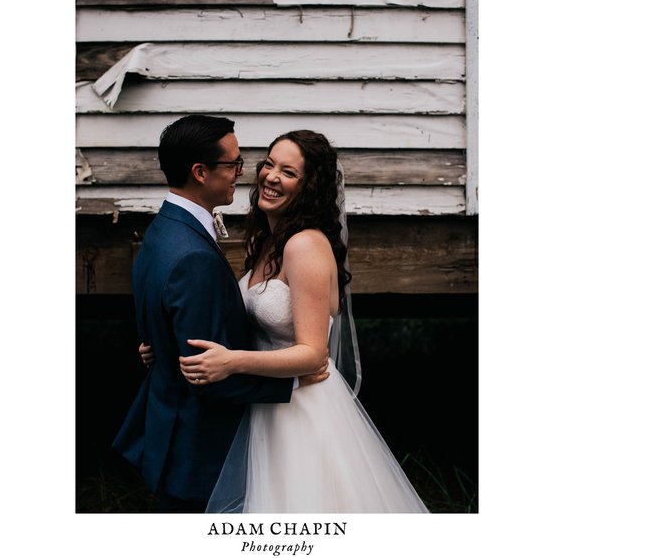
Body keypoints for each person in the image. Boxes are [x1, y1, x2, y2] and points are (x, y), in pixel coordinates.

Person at [175, 130, 429, 513]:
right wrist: (167, 342)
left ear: (309, 187)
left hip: (304, 408)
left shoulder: (305, 245)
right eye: (270, 164)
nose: (271, 176)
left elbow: (313, 355)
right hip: (270, 401)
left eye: (288, 172)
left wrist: (231, 362)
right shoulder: (267, 241)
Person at [112, 115, 328, 513]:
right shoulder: (194, 254)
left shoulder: (162, 230)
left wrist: (163, 343)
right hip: (200, 449)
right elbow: (210, 376)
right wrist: (293, 383)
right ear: (200, 172)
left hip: (229, 428)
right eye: (234, 165)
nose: (246, 174)